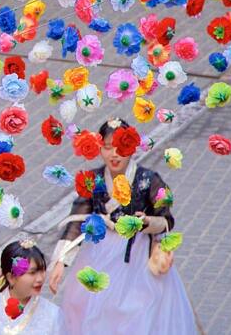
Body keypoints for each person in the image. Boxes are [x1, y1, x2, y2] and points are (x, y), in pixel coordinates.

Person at [47, 118, 198, 334]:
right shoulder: (94, 178)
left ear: (130, 147)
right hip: (98, 251)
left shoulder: (148, 180)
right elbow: (78, 219)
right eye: (107, 148)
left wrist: (146, 222)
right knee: (90, 308)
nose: (114, 154)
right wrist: (61, 261)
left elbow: (166, 220)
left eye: (120, 147)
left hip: (136, 256)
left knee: (137, 312)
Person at [0, 240, 63, 334]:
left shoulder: (53, 314)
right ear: (11, 278)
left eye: (42, 270)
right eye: (32, 273)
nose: (40, 279)